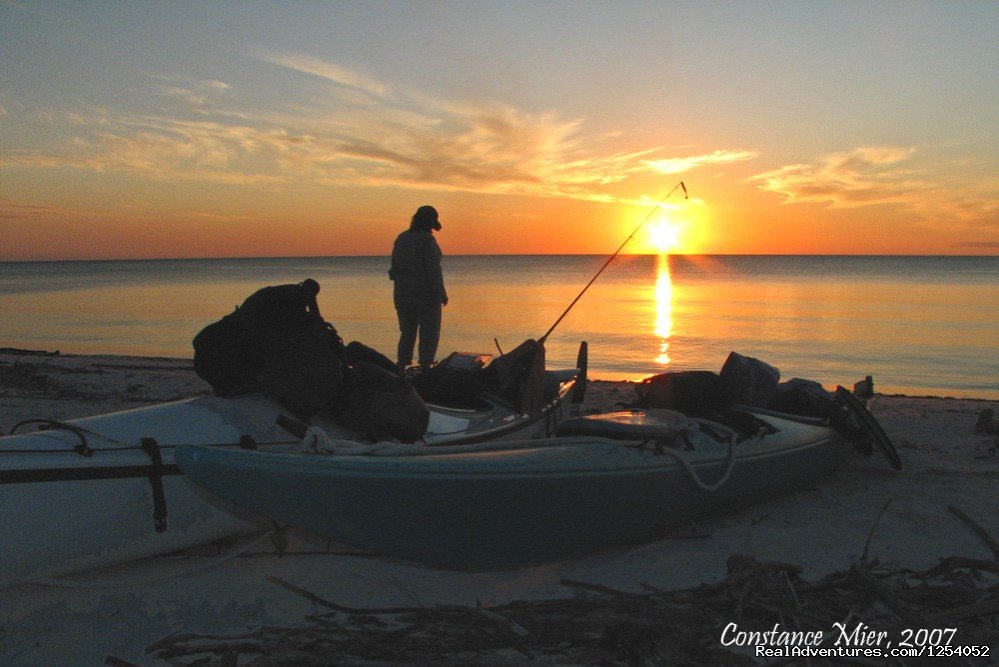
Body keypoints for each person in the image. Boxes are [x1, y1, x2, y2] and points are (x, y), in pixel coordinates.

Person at [389, 205, 448, 369]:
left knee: (407, 331)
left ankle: (401, 366)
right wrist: (441, 292)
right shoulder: (427, 240)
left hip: (402, 292)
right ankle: (425, 365)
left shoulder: (402, 238)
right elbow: (433, 270)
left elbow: (393, 268)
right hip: (425, 293)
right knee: (429, 331)